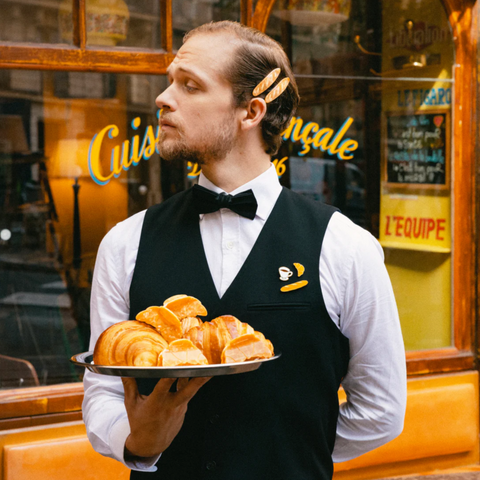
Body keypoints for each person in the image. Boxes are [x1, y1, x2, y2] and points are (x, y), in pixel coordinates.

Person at [82, 20, 406, 480]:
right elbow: (103, 391)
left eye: (189, 85)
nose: (163, 97)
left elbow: (381, 409)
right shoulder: (125, 243)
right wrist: (138, 443)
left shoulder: (345, 246)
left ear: (250, 111)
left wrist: (288, 452)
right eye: (170, 80)